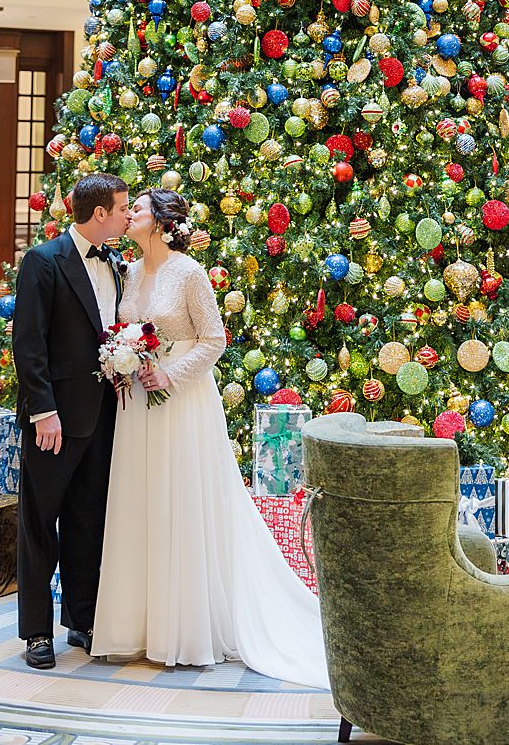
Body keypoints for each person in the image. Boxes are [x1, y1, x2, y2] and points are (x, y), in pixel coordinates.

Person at [92, 188, 328, 687]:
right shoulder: (129, 273)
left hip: (182, 401)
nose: (130, 212)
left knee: (181, 501)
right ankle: (136, 626)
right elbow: (122, 332)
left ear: (159, 222)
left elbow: (214, 339)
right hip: (137, 405)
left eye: (138, 208)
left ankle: (184, 629)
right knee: (141, 502)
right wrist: (121, 362)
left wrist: (170, 373)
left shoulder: (189, 272)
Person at [11, 171, 128, 670]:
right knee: (40, 523)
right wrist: (43, 411)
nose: (127, 216)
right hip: (53, 419)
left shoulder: (118, 264)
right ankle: (36, 632)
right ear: (99, 213)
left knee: (88, 520)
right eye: (122, 209)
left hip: (103, 416)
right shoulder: (43, 260)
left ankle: (81, 620)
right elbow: (29, 343)